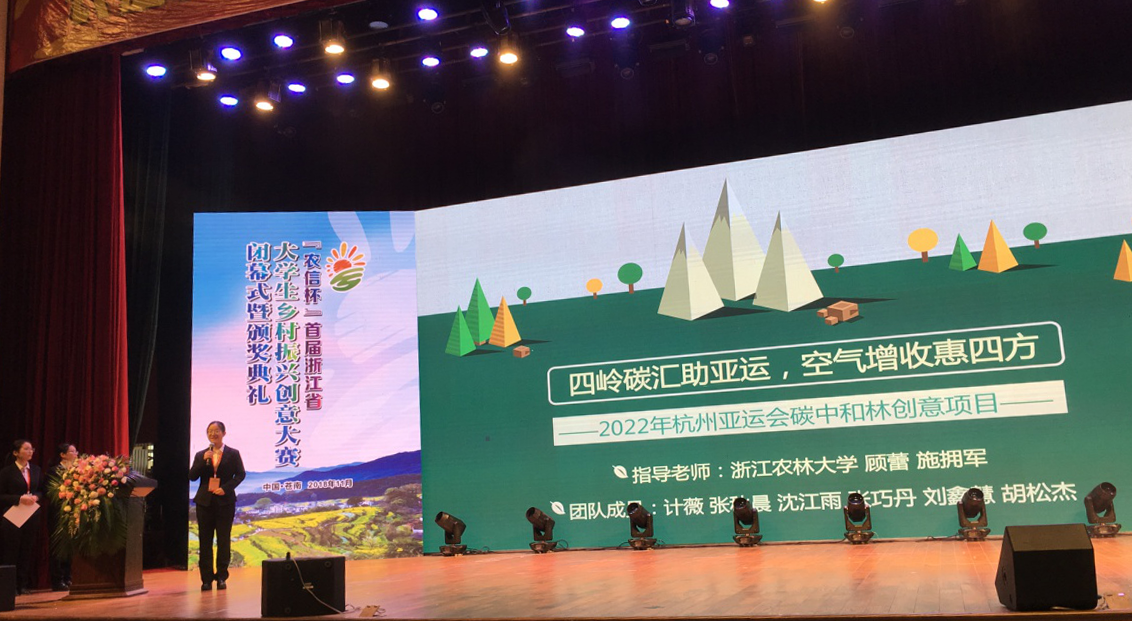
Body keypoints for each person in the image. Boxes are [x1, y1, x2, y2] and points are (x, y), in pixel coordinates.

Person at [188, 421, 245, 591]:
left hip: (225, 502)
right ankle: (206, 579)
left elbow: (240, 474)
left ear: (223, 433)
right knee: (205, 541)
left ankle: (221, 577)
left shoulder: (233, 453)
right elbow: (192, 476)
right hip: (204, 503)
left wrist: (226, 488)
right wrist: (202, 461)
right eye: (210, 431)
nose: (213, 434)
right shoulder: (201, 455)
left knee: (223, 540)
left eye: (216, 431)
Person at [0, 439, 44, 595]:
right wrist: (19, 498)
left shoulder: (36, 470)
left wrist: (36, 497)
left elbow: (41, 490)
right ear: (16, 453)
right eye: (26, 449)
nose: (30, 451)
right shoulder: (7, 472)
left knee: (26, 550)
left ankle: (22, 585)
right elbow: (1, 495)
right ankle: (9, 587)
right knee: (11, 551)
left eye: (32, 449)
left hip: (30, 515)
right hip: (12, 516)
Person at [48, 442, 78, 591]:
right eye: (72, 452)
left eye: (76, 451)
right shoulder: (54, 471)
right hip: (58, 513)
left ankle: (68, 577)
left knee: (71, 547)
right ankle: (57, 580)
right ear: (62, 455)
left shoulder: (78, 470)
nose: (76, 454)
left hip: (74, 513)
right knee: (58, 547)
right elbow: (50, 492)